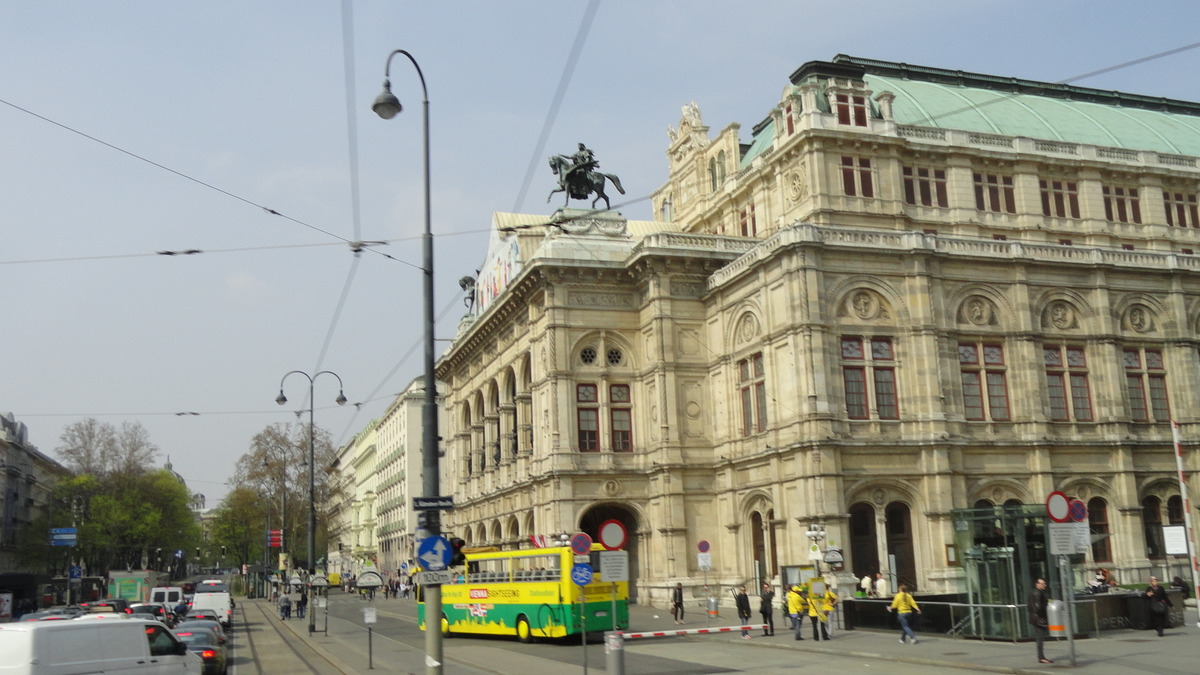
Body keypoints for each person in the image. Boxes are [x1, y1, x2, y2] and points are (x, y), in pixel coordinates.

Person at [1027, 578, 1052, 664]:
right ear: (1037, 584)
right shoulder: (1038, 593)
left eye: (1044, 583)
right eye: (1043, 584)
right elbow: (1038, 607)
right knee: (1040, 638)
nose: (1045, 585)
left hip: (1034, 618)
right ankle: (1041, 657)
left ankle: (1041, 656)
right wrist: (1043, 613)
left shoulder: (1032, 592)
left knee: (1039, 638)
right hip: (1039, 619)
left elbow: (1030, 606)